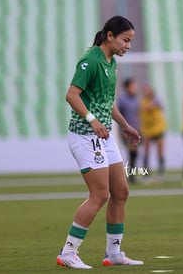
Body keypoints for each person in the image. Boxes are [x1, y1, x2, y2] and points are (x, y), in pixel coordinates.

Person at [58, 16, 144, 269]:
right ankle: (68, 253)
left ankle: (114, 253)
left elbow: (107, 102)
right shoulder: (91, 61)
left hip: (103, 135)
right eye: (125, 40)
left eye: (130, 41)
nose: (128, 46)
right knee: (99, 194)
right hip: (86, 135)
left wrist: (125, 125)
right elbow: (71, 95)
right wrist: (93, 120)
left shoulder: (111, 63)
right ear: (110, 36)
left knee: (121, 192)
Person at [139, 84, 167, 177]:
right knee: (146, 150)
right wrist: (154, 103)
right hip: (148, 129)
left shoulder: (156, 100)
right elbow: (145, 108)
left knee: (160, 150)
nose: (146, 92)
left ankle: (161, 170)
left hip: (158, 128)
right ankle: (146, 171)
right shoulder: (143, 101)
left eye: (148, 90)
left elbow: (159, 106)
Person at [117, 78, 140, 183]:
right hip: (127, 131)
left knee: (135, 153)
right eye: (133, 86)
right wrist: (123, 129)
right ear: (127, 87)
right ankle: (131, 176)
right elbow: (119, 115)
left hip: (137, 129)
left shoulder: (137, 99)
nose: (135, 88)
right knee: (131, 152)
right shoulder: (122, 100)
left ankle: (131, 175)